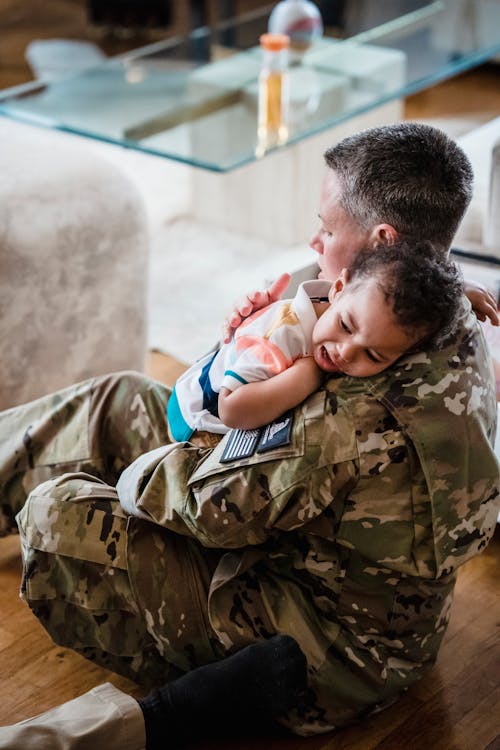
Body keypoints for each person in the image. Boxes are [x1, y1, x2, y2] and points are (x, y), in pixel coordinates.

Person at [0, 122, 499, 744]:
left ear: (382, 240)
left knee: (57, 517)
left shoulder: (357, 414)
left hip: (321, 651)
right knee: (118, 399)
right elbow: (279, 340)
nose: (313, 239)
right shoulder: (438, 304)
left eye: (327, 226)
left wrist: (130, 472)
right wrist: (250, 337)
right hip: (307, 555)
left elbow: (208, 509)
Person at [168, 240, 463, 441]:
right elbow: (230, 410)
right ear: (338, 288)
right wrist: (305, 377)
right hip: (197, 422)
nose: (345, 352)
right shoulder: (284, 336)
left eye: (373, 356)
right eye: (346, 325)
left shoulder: (348, 303)